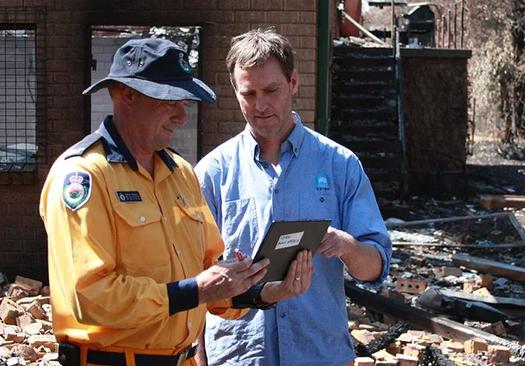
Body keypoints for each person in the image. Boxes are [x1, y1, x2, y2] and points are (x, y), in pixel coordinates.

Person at [39, 38, 276, 366]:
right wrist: (194, 291)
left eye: (185, 102)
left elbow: (208, 271)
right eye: (170, 101)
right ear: (128, 95)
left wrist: (260, 291)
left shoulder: (180, 172)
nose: (181, 116)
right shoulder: (84, 176)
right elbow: (91, 297)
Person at [194, 27, 392, 366]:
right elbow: (194, 280)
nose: (261, 105)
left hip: (320, 355)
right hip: (239, 356)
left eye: (271, 90)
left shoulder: (339, 164)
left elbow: (375, 268)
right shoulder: (212, 172)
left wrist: (344, 244)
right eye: (249, 93)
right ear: (235, 92)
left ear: (294, 83)